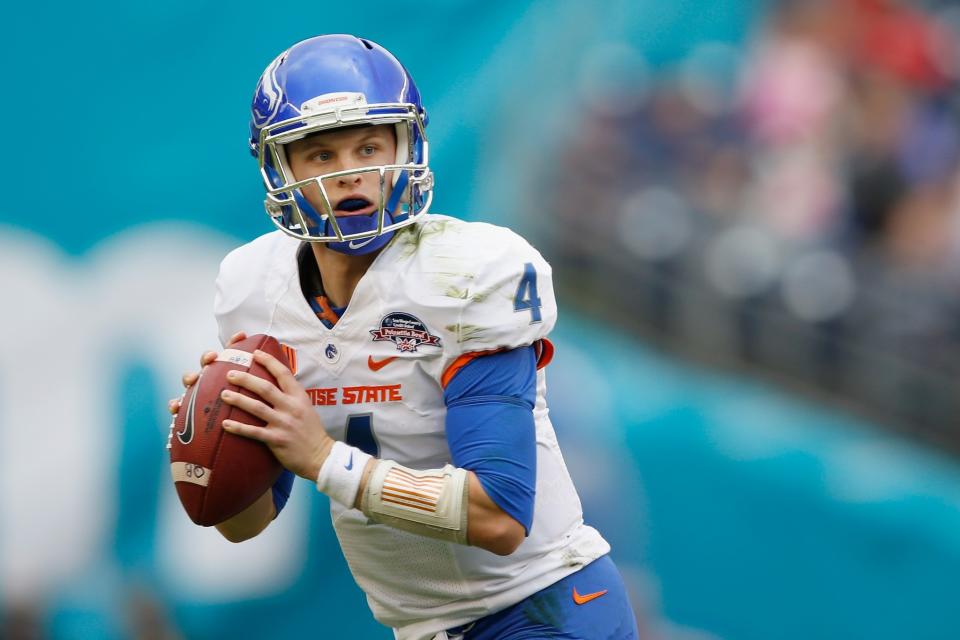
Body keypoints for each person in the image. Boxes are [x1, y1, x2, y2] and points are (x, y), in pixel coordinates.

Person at [169, 34, 639, 640]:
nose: (352, 175)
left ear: (406, 146)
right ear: (279, 167)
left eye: (368, 146)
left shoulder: (467, 273)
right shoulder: (254, 288)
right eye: (322, 157)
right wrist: (212, 443)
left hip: (541, 608)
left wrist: (321, 458)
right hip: (422, 628)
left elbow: (500, 516)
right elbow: (243, 524)